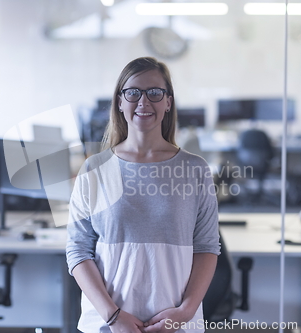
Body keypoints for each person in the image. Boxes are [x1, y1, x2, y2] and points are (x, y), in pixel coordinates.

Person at [66, 57, 220, 333]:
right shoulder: (95, 168)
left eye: (155, 92)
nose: (143, 101)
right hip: (108, 324)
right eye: (133, 92)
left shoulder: (194, 168)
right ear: (120, 102)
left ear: (168, 102)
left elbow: (207, 246)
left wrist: (184, 313)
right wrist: (113, 317)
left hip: (177, 324)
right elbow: (78, 250)